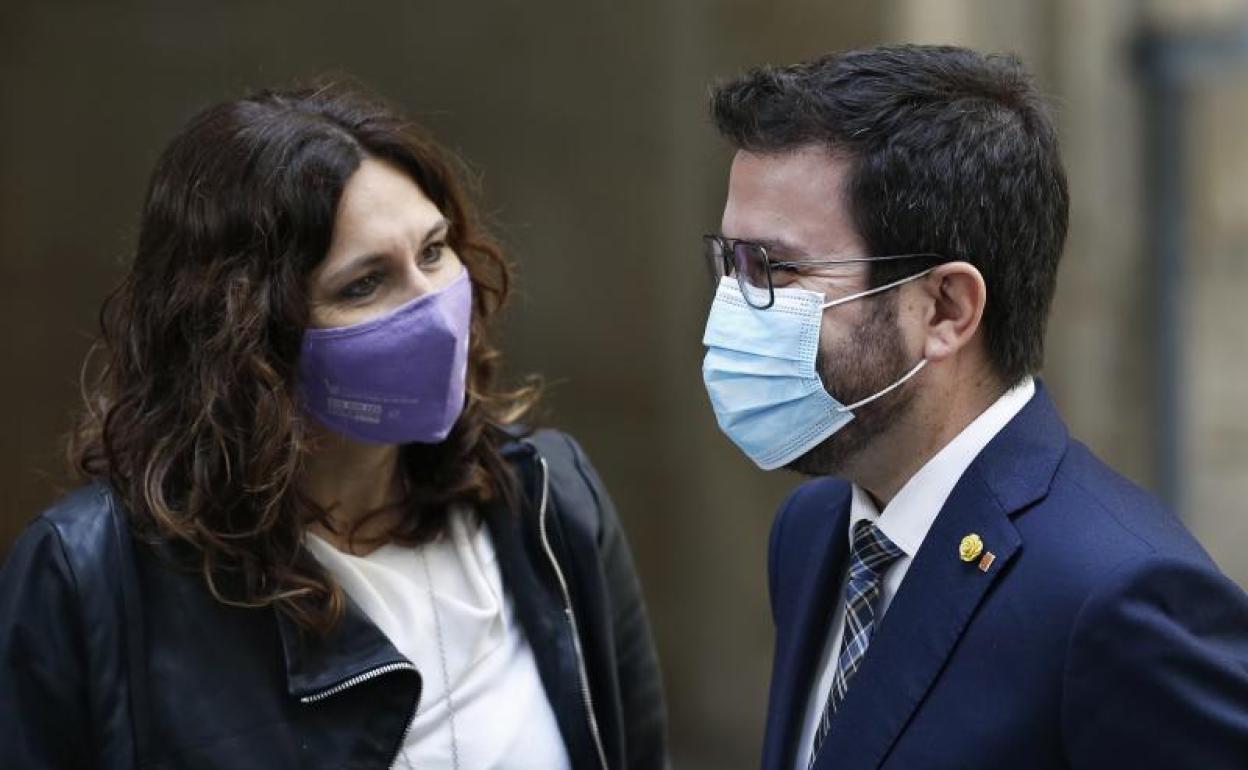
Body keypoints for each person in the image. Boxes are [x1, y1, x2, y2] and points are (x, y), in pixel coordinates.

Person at [0, 84, 666, 769]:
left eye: (434, 250)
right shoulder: (93, 577)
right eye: (364, 284)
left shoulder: (548, 505)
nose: (434, 309)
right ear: (244, 337)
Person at [700, 44, 1248, 769]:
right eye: (731, 262)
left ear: (947, 309)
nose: (736, 304)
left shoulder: (1116, 594)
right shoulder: (815, 532)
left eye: (778, 268)